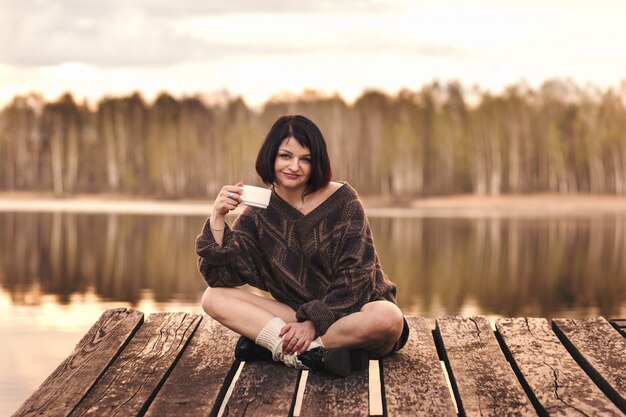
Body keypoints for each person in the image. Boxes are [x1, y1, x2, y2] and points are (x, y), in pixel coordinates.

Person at [196, 114, 408, 377]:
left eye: (305, 159)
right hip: (297, 316)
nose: (294, 166)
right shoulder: (257, 214)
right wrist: (217, 218)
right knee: (212, 297)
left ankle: (278, 348)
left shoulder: (344, 201)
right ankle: (308, 355)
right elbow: (221, 277)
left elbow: (358, 277)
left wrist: (313, 323)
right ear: (271, 157)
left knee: (389, 318)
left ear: (316, 162)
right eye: (285, 156)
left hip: (356, 312)